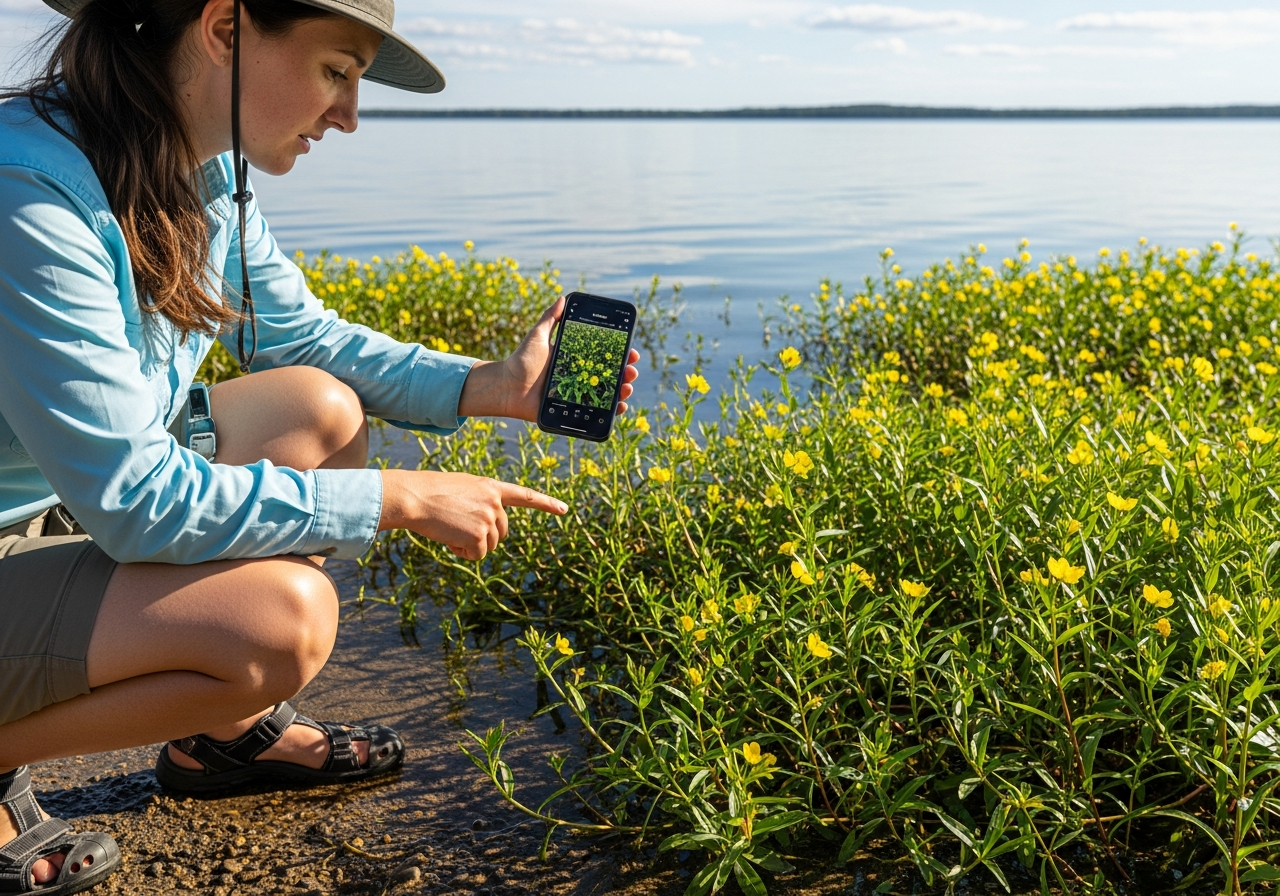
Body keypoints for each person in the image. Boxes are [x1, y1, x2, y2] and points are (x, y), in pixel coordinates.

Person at [0, 0, 641, 889]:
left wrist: (490, 387)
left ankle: (222, 741)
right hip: (46, 511)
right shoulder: (30, 191)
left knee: (318, 409)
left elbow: (310, 339)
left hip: (42, 496)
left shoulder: (198, 170)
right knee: (282, 626)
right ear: (224, 28)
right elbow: (135, 500)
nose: (348, 114)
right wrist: (399, 496)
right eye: (336, 71)